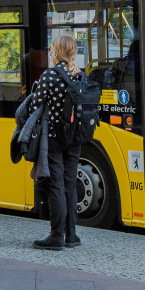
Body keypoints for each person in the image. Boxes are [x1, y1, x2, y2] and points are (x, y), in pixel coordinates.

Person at [29, 34, 85, 250]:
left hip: (53, 138)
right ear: (73, 52)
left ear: (57, 51)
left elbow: (36, 105)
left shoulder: (50, 75)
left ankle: (56, 236)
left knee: (56, 185)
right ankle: (72, 235)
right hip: (75, 138)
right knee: (70, 185)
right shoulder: (80, 76)